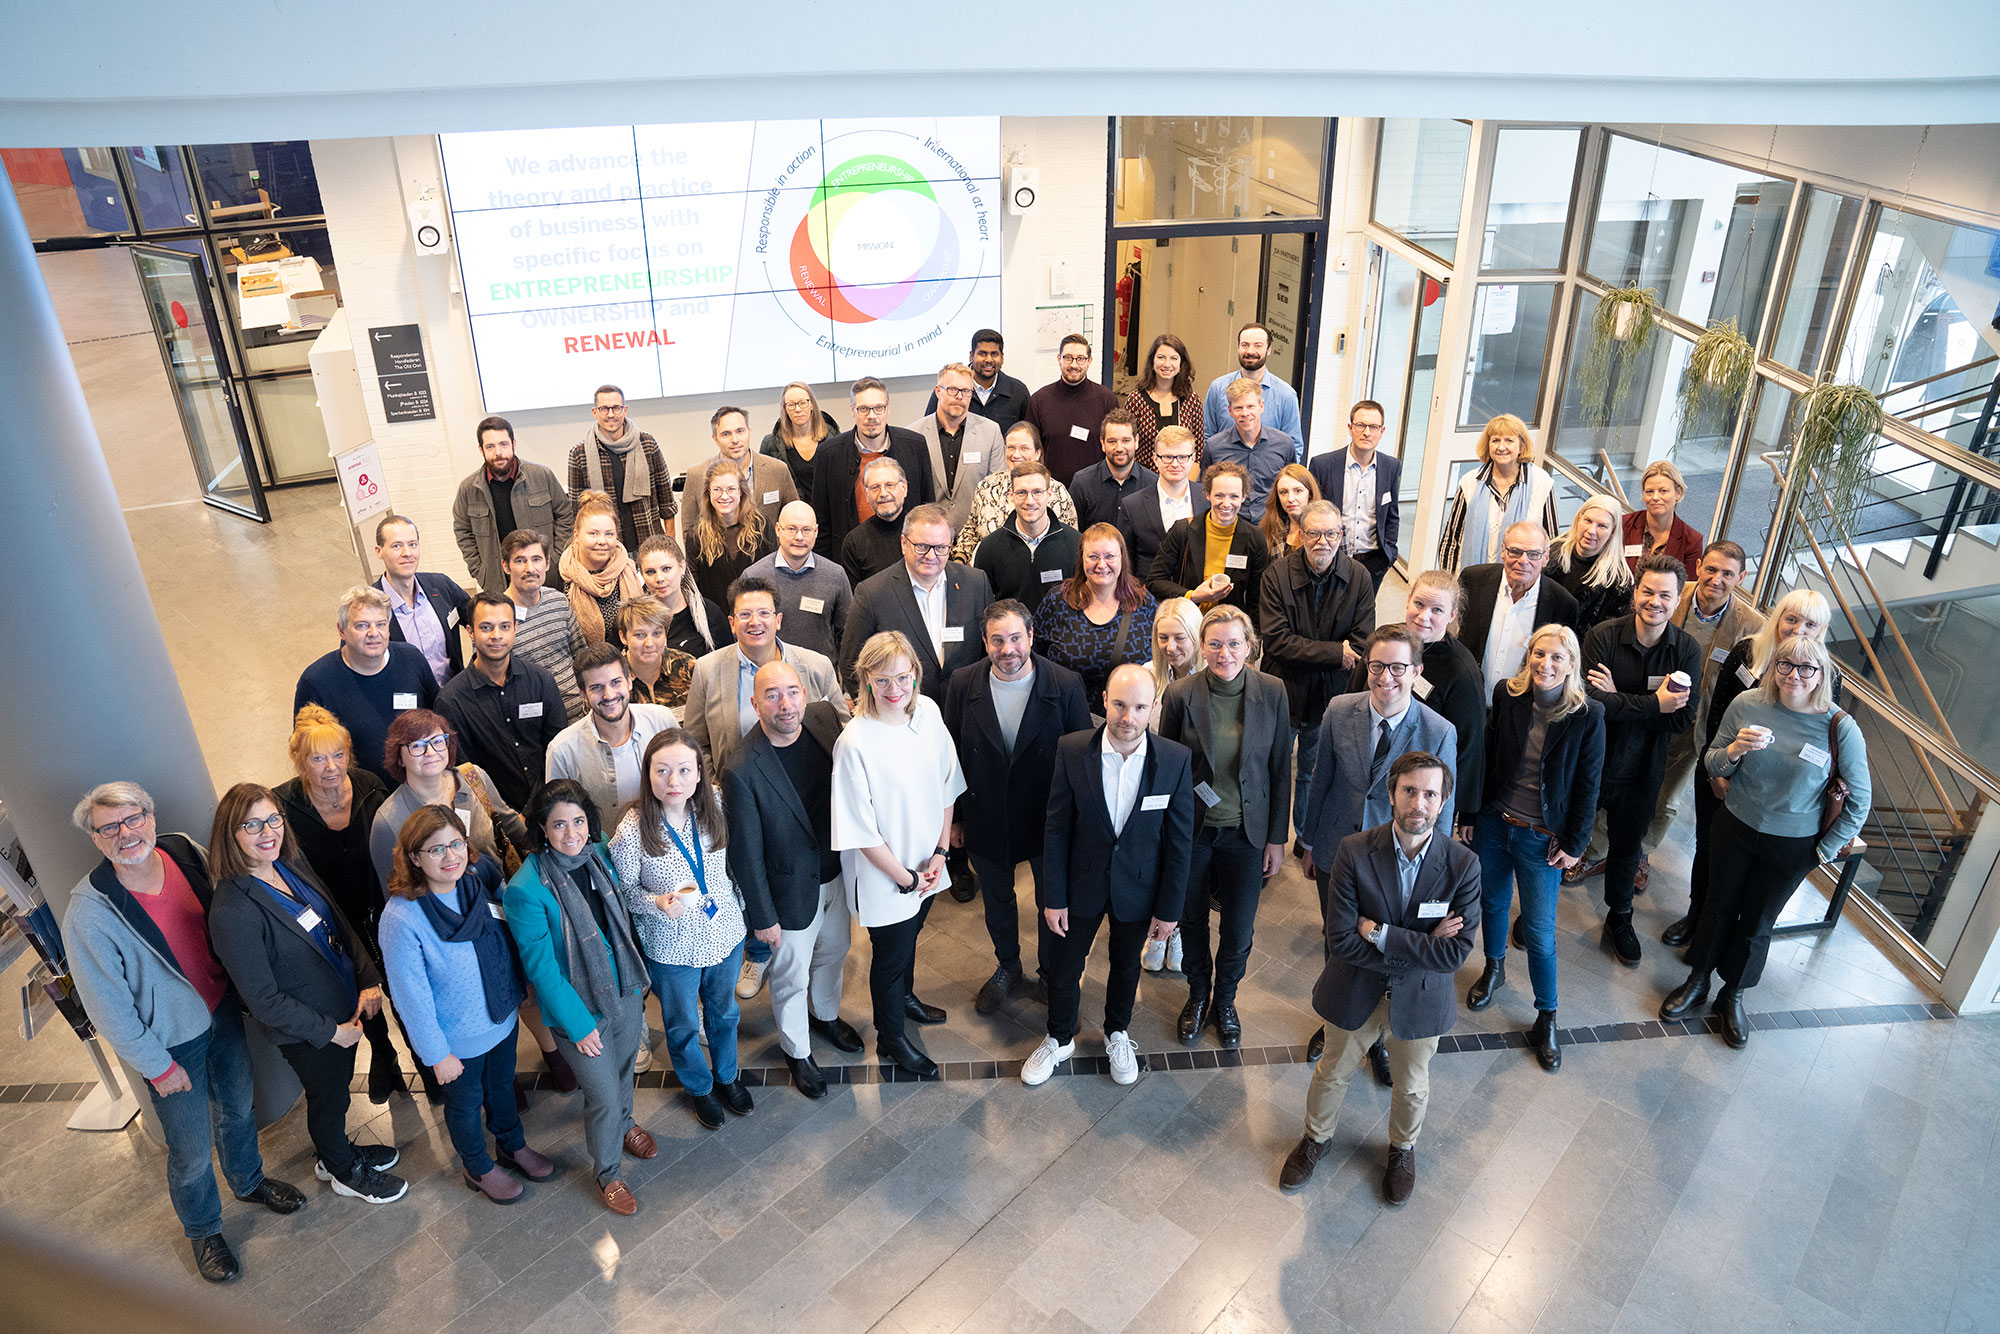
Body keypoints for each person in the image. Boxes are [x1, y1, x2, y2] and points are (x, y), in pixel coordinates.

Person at [63, 782, 305, 1283]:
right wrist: (158, 1066)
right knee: (191, 1149)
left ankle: (248, 1181)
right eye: (109, 827)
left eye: (133, 819)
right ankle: (204, 1231)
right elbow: (108, 1008)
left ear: (151, 817)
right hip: (171, 1044)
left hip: (221, 1011)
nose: (125, 833)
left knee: (238, 1109)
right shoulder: (89, 914)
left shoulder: (181, 849)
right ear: (96, 839)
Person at [1277, 753, 1479, 1205]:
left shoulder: (1463, 866)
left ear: (1444, 801)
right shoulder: (1353, 851)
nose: (1419, 804)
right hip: (1355, 989)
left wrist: (1380, 934)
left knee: (1411, 1085)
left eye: (1430, 794)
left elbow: (1455, 954)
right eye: (1409, 791)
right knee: (1332, 1073)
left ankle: (1402, 1152)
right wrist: (1420, 943)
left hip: (1421, 998)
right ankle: (1316, 1138)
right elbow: (1341, 940)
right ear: (1391, 795)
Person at [1662, 634, 1870, 1047]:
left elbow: (1859, 801)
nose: (1794, 675)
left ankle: (1732, 994)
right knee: (1718, 906)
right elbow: (1712, 761)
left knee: (1758, 922)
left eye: (1806, 668)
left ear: (1821, 675)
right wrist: (1735, 750)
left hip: (1793, 844)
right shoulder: (1748, 704)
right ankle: (1698, 980)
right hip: (1736, 825)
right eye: (1785, 665)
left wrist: (1823, 853)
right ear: (1773, 666)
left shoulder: (1839, 727)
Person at [205, 783, 406, 1206]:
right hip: (312, 1031)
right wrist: (331, 1032)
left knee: (334, 1096)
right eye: (252, 824)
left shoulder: (288, 863)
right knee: (328, 1099)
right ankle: (343, 1170)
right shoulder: (231, 911)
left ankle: (335, 1152)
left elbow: (335, 919)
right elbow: (263, 1000)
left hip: (344, 1008)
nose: (268, 831)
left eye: (273, 818)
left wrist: (368, 978)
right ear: (231, 833)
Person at [1027, 663, 1196, 1087]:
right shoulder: (1071, 749)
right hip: (1079, 884)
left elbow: (1179, 844)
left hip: (1138, 889)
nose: (1128, 717)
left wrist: (1169, 909)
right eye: (1119, 704)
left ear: (1154, 707)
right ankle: (1059, 1036)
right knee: (1064, 968)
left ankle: (1117, 1033)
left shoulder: (1174, 761)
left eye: (1139, 707)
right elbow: (1056, 829)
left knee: (1126, 968)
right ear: (1104, 700)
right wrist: (1053, 896)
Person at [378, 804, 554, 1204]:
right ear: (413, 857)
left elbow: (507, 942)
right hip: (456, 1042)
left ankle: (511, 1144)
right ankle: (477, 1166)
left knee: (503, 1088)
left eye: (456, 843)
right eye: (436, 849)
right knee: (465, 1105)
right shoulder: (402, 918)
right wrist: (437, 1055)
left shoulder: (477, 881)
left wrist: (520, 987)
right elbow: (410, 997)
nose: (450, 857)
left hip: (501, 1017)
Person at [1297, 625, 1457, 1056]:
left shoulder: (1439, 730)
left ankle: (1378, 1038)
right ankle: (1336, 1018)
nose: (1386, 677)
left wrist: (1437, 882)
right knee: (1340, 940)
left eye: (1398, 667)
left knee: (1386, 942)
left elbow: (1441, 812)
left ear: (1416, 670)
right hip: (1337, 847)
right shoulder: (1339, 710)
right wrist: (1310, 843)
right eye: (1377, 666)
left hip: (1397, 862)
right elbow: (1320, 780)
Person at [503, 780, 654, 1216]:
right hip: (579, 1010)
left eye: (579, 821)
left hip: (623, 989)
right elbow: (542, 970)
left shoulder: (599, 853)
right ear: (541, 829)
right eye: (559, 825)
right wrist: (578, 1024)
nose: (571, 833)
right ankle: (608, 1172)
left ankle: (627, 1123)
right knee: (603, 1094)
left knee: (625, 1069)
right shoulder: (526, 889)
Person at [1573, 539, 1757, 893]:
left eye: (1728, 574)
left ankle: (1639, 854)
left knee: (1664, 799)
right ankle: (1595, 851)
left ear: (1741, 577)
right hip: (1635, 721)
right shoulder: (1669, 589)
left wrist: (1621, 698)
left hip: (1693, 725)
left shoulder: (1749, 625)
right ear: (1700, 566)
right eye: (1712, 569)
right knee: (1609, 788)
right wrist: (1650, 704)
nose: (1717, 579)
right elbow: (1600, 694)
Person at [1467, 625, 1605, 1072]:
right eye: (1539, 655)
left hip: (1542, 838)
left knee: (1542, 934)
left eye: (1557, 659)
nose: (1546, 665)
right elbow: (1486, 757)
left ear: (1572, 665)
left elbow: (1588, 786)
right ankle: (1494, 968)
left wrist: (1576, 844)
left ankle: (1547, 1015)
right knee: (1491, 903)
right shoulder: (1508, 695)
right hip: (1495, 821)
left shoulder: (1588, 715)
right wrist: (1470, 814)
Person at [722, 661, 861, 1099]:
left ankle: (824, 1015)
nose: (786, 704)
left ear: (805, 693)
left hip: (836, 872)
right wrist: (762, 917)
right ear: (755, 702)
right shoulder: (741, 767)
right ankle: (797, 1051)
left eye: (792, 692)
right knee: (789, 977)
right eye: (772, 695)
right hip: (788, 891)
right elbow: (745, 854)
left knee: (836, 951)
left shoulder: (822, 719)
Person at [831, 631, 967, 1078]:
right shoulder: (854, 741)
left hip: (929, 864)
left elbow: (948, 786)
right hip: (885, 874)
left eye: (904, 678)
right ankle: (891, 1040)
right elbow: (860, 830)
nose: (895, 691)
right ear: (865, 679)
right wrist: (905, 877)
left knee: (910, 941)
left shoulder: (926, 712)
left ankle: (906, 998)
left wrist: (940, 854)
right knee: (889, 962)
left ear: (916, 674)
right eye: (883, 680)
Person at [945, 600, 1091, 1015]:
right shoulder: (962, 682)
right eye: (996, 640)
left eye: (1014, 638)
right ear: (985, 643)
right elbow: (952, 754)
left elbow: (1082, 757)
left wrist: (1079, 823)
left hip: (1049, 818)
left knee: (1052, 901)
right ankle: (1008, 965)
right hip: (987, 814)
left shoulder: (1064, 684)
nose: (1007, 649)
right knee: (997, 900)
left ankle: (1050, 974)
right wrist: (954, 818)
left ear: (1030, 637)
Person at [1666, 589, 1831, 949]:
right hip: (1721, 769)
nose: (1798, 629)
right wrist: (1716, 771)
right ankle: (1696, 915)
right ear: (1778, 617)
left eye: (1810, 624)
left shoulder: (1818, 672)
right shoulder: (1747, 652)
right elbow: (1717, 713)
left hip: (1766, 792)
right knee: (1708, 847)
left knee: (1743, 870)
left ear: (1821, 630)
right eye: (1792, 618)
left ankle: (1717, 935)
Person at [1160, 606, 1293, 1049]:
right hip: (1194, 831)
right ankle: (1198, 995)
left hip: (1246, 833)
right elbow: (1169, 769)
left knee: (1239, 928)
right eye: (1214, 644)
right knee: (1192, 919)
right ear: (1202, 647)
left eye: (1234, 643)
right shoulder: (1181, 694)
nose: (1224, 653)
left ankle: (1226, 1001)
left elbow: (1279, 769)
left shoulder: (1272, 691)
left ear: (1250, 645)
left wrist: (1278, 837)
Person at [611, 731, 753, 1129]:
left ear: (698, 776)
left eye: (683, 770)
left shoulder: (716, 805)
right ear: (648, 775)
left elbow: (732, 865)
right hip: (671, 947)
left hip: (724, 932)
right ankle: (699, 1087)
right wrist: (654, 902)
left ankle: (727, 1076)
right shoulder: (633, 829)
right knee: (683, 1024)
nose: (673, 781)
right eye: (663, 771)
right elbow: (621, 891)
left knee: (724, 1013)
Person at [1579, 552, 1701, 967]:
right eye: (1647, 591)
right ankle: (1537, 913)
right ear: (1635, 593)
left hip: (1643, 771)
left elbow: (1683, 716)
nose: (1655, 601)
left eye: (1665, 595)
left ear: (1678, 598)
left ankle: (1620, 917)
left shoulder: (1686, 650)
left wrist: (1620, 698)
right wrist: (1654, 704)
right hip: (1591, 762)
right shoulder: (1602, 636)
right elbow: (1590, 703)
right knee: (1568, 837)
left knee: (1627, 849)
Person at [276, 706, 404, 1101]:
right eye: (318, 758)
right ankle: (383, 1053)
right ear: (301, 762)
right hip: (329, 918)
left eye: (338, 755)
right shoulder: (284, 805)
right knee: (358, 992)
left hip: (381, 907)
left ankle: (422, 1054)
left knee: (399, 984)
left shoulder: (369, 786)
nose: (331, 767)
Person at [1259, 500, 1373, 842]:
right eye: (1313, 533)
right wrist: (1336, 652)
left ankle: (1306, 840)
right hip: (1283, 689)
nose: (1322, 541)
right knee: (1270, 769)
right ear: (1300, 535)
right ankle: (1268, 840)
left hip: (1331, 695)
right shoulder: (1275, 575)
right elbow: (1277, 642)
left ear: (1342, 535)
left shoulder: (1359, 576)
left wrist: (1317, 652)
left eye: (1331, 533)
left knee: (1312, 770)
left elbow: (1363, 643)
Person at [683, 575, 847, 777]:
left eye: (764, 613)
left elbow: (843, 731)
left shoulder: (817, 666)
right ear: (732, 624)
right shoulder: (707, 670)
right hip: (738, 793)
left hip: (811, 786)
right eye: (745, 614)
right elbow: (695, 742)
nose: (755, 622)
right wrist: (716, 791)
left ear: (778, 620)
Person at [368, 708, 529, 900]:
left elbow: (512, 827)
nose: (430, 752)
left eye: (437, 741)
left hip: (503, 900)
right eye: (418, 745)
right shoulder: (387, 820)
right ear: (399, 757)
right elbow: (396, 894)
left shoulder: (474, 778)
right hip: (449, 921)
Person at [840, 504, 993, 705]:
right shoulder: (872, 593)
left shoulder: (975, 583)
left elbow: (989, 649)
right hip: (902, 718)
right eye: (921, 546)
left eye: (940, 548)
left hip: (966, 712)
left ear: (951, 546)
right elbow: (852, 663)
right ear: (904, 543)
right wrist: (882, 709)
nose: (931, 556)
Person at [294, 585, 439, 788]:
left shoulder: (411, 659)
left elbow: (439, 718)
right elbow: (306, 752)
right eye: (362, 626)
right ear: (341, 630)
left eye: (380, 624)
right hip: (364, 798)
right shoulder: (316, 681)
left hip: (421, 786)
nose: (374, 633)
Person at [437, 592, 569, 811]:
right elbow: (465, 772)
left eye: (505, 627)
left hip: (550, 805)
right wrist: (508, 819)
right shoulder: (451, 700)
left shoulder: (541, 680)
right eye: (486, 627)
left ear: (515, 628)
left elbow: (557, 748)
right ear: (470, 632)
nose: (496, 635)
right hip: (494, 819)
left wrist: (534, 810)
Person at [1138, 596, 1204, 974]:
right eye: (1163, 638)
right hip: (1154, 785)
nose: (1171, 647)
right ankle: (1157, 928)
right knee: (1154, 860)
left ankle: (1176, 928)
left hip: (1196, 789)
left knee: (1185, 864)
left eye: (1179, 638)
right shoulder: (1149, 674)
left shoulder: (1213, 674)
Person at [545, 643, 680, 827]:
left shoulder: (661, 720)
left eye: (615, 682)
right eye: (597, 688)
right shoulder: (562, 750)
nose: (609, 695)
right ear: (583, 694)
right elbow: (560, 819)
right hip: (604, 853)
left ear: (630, 680)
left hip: (669, 844)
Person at [1034, 522, 1158, 713]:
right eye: (1093, 556)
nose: (1101, 564)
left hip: (1127, 720)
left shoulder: (1143, 603)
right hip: (1066, 716)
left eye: (1109, 556)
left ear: (1122, 558)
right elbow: (1035, 656)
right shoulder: (1057, 602)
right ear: (1081, 559)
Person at [809, 376, 935, 559]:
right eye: (863, 409)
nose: (872, 416)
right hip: (852, 560)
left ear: (888, 409)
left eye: (878, 408)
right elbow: (822, 522)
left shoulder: (915, 446)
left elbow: (927, 507)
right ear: (852, 410)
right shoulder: (829, 454)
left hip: (908, 556)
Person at [454, 414, 574, 595]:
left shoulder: (542, 475)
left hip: (545, 577)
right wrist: (480, 570)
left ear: (513, 444)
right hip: (499, 582)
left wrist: (554, 560)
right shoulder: (469, 489)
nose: (498, 453)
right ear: (481, 450)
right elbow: (463, 531)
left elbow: (565, 516)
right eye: (490, 446)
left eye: (503, 444)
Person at [1457, 522, 1581, 691]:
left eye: (1534, 554)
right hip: (1466, 696)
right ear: (1503, 551)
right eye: (1515, 551)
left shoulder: (1564, 604)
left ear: (1546, 557)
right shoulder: (1473, 580)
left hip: (1519, 708)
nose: (1523, 561)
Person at [1436, 414, 1560, 573]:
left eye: (1509, 440)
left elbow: (1552, 542)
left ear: (1521, 446)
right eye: (1495, 440)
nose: (1501, 447)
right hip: (1472, 579)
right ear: (1488, 446)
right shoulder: (1470, 482)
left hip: (1523, 579)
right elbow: (1452, 539)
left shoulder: (1542, 483)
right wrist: (1452, 584)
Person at [1148, 460, 1269, 619]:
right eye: (1219, 495)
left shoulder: (1254, 537)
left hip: (1230, 630)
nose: (1226, 504)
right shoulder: (1183, 530)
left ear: (1244, 497)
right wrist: (1193, 595)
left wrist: (1251, 638)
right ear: (1207, 494)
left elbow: (1257, 598)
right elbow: (1154, 581)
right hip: (1187, 626)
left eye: (1234, 496)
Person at [953, 422, 1080, 564]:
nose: (1016, 454)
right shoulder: (986, 486)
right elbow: (971, 531)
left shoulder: (1057, 492)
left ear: (1038, 453)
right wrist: (959, 562)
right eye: (1011, 448)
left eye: (1024, 448)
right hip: (991, 570)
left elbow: (1069, 542)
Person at [568, 384, 675, 551]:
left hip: (649, 537)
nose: (611, 414)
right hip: (605, 547)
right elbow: (576, 510)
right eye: (604, 409)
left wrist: (670, 538)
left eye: (616, 408)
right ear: (594, 412)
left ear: (625, 410)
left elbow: (665, 495)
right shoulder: (579, 454)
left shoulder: (647, 443)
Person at [1307, 399, 1401, 589]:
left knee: (1363, 615)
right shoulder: (1323, 465)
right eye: (1360, 425)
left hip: (1373, 562)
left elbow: (1392, 515)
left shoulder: (1391, 466)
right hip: (1332, 557)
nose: (1367, 432)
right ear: (1350, 428)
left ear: (1382, 432)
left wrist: (1388, 554)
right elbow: (1311, 514)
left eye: (1373, 427)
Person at [374, 513, 471, 689]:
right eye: (397, 546)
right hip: (407, 710)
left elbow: (480, 618)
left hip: (453, 699)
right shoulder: (367, 605)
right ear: (378, 551)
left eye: (412, 544)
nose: (407, 553)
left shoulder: (441, 586)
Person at [746, 501, 851, 661]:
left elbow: (847, 634)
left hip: (819, 677)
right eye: (791, 529)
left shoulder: (835, 575)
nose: (799, 537)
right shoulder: (753, 577)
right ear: (777, 530)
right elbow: (744, 633)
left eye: (806, 530)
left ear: (816, 532)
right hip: (768, 677)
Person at [501, 529, 588, 723]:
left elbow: (581, 655)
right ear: (506, 566)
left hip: (580, 716)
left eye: (536, 559)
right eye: (520, 561)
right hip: (535, 724)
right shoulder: (497, 616)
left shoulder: (558, 601)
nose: (530, 568)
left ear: (547, 563)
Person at [913, 361, 1006, 537]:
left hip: (976, 536)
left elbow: (997, 491)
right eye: (952, 390)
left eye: (966, 391)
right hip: (929, 538)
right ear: (938, 391)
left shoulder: (991, 431)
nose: (959, 396)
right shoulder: (914, 435)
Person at [681, 404, 798, 540]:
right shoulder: (697, 475)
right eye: (726, 434)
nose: (735, 440)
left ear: (749, 432)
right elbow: (688, 533)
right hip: (716, 557)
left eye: (740, 431)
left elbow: (794, 517)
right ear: (715, 439)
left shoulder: (777, 470)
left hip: (769, 557)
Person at [972, 461, 1081, 607]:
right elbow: (981, 605)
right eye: (1021, 492)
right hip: (1010, 630)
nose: (1029, 501)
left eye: (1037, 492)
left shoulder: (1075, 543)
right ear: (1011, 496)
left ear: (1049, 494)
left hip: (1060, 630)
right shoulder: (989, 548)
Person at [1026, 333, 1121, 484]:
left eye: (1080, 359)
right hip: (1051, 490)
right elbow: (1031, 451)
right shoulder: (1039, 400)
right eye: (1068, 358)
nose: (1074, 365)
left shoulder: (1107, 400)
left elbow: (1114, 447)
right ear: (1059, 359)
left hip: (1095, 489)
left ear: (1089, 361)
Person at [1202, 322, 1304, 457]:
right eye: (1245, 345)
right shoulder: (1218, 388)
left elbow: (1294, 446)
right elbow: (1207, 436)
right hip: (1224, 473)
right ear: (1238, 348)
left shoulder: (1286, 395)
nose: (1250, 351)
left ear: (1268, 349)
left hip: (1267, 475)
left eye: (1258, 345)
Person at [1118, 424, 1207, 578]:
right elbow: (1126, 562)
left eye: (1182, 457)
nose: (1174, 464)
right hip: (1148, 597)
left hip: (1197, 595)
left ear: (1193, 459)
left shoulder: (1208, 499)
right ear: (1155, 459)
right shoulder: (1132, 505)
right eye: (1167, 457)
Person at [561, 491, 645, 652]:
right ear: (576, 535)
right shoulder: (561, 578)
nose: (602, 541)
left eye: (609, 534)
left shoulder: (630, 570)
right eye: (593, 533)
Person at [1203, 379, 1296, 523]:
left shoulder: (1284, 444)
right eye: (1238, 408)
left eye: (1250, 406)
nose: (1245, 413)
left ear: (1261, 406)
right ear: (1230, 411)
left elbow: (1291, 486)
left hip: (1271, 526)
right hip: (1229, 526)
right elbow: (1205, 491)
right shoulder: (1214, 447)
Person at [685, 461, 774, 610]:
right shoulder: (696, 535)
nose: (724, 496)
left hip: (756, 617)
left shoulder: (762, 527)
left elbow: (773, 576)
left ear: (741, 491)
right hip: (718, 620)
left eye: (731, 489)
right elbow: (694, 588)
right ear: (708, 493)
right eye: (717, 489)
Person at [1548, 495, 1635, 631]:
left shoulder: (1619, 582)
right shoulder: (1550, 551)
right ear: (1578, 519)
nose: (1591, 531)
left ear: (1612, 532)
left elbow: (1606, 636)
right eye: (1588, 521)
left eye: (1602, 526)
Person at [636, 533, 725, 661]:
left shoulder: (710, 613)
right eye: (650, 572)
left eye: (666, 569)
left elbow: (728, 665)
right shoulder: (634, 619)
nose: (659, 578)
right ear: (642, 575)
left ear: (682, 567)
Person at [1125, 332, 1206, 470]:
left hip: (1181, 480)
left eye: (1174, 358)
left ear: (1181, 365)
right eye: (1161, 357)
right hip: (1144, 482)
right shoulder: (1135, 400)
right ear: (1152, 362)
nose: (1167, 364)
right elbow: (1128, 447)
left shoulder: (1192, 400)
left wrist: (1187, 487)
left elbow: (1197, 452)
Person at [926, 328, 1029, 433]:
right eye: (983, 354)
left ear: (1002, 358)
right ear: (971, 356)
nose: (989, 360)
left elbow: (1027, 433)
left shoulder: (1018, 392)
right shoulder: (947, 389)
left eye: (994, 354)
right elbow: (929, 428)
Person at [1069, 410, 1156, 531]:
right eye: (1112, 441)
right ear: (1102, 443)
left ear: (1136, 441)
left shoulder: (1153, 484)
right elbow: (1074, 534)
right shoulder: (1082, 483)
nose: (1119, 448)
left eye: (1126, 440)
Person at [760, 380, 840, 500]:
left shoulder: (833, 438)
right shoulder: (771, 444)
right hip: (794, 513)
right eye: (791, 405)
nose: (797, 409)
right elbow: (764, 486)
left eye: (803, 403)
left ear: (812, 404)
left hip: (830, 511)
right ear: (785, 409)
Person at [840, 455, 912, 587]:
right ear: (867, 495)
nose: (883, 493)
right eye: (875, 487)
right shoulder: (854, 542)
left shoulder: (924, 534)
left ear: (904, 488)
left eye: (889, 485)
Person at [1626, 459, 1704, 578]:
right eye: (1649, 492)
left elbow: (1688, 587)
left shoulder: (1691, 541)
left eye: (1663, 491)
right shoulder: (1624, 525)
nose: (1655, 497)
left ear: (1679, 493)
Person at [618, 596, 696, 710]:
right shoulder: (611, 678)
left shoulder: (687, 667)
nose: (649, 643)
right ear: (623, 636)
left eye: (657, 633)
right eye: (640, 635)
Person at [1258, 463, 1320, 554]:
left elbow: (1341, 567)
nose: (1290, 499)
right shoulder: (1268, 530)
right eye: (1283, 492)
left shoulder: (1331, 529)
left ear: (1310, 493)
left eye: (1298, 491)